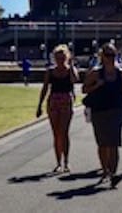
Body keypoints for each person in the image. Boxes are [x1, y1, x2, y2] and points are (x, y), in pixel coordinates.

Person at [82, 43, 122, 188]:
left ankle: (113, 173)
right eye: (107, 55)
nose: (110, 58)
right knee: (102, 143)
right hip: (99, 111)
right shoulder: (95, 72)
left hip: (116, 110)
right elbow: (84, 89)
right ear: (102, 57)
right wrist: (96, 85)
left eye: (113, 55)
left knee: (114, 143)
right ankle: (105, 169)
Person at [36, 45, 79, 173]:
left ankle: (66, 161)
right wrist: (39, 105)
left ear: (67, 57)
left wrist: (70, 66)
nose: (60, 60)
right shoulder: (50, 71)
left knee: (64, 132)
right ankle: (58, 162)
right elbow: (45, 88)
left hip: (66, 100)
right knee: (56, 133)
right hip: (53, 101)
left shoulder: (70, 70)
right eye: (57, 57)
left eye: (62, 57)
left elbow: (75, 80)